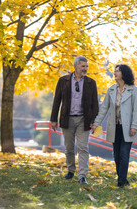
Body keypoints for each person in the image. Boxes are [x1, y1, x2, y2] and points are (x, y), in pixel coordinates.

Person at [50, 56, 99, 184]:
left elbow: (95, 104)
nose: (85, 69)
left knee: (83, 147)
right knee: (69, 147)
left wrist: (95, 122)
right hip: (67, 118)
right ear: (76, 66)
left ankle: (82, 175)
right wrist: (53, 119)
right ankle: (71, 170)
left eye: (86, 66)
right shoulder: (63, 81)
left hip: (84, 119)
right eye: (83, 66)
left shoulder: (91, 83)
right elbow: (57, 101)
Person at [91, 64, 137, 187]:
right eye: (115, 70)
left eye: (117, 71)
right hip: (115, 127)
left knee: (124, 154)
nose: (114, 72)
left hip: (128, 128)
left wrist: (134, 126)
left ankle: (121, 181)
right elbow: (104, 109)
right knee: (117, 155)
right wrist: (96, 124)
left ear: (124, 73)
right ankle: (122, 178)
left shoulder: (134, 90)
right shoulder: (111, 89)